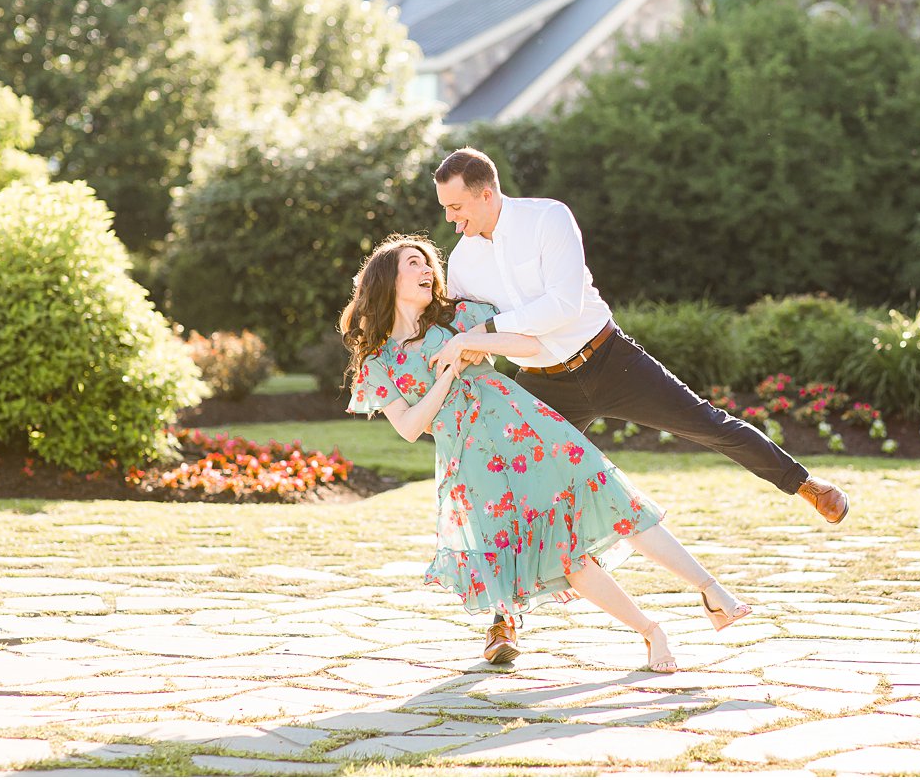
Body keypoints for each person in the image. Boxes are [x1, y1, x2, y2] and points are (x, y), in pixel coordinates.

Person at [431, 147, 850, 663]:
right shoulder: (464, 261)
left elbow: (563, 305)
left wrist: (488, 331)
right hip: (542, 380)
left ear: (486, 193)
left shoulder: (548, 218)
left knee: (707, 424)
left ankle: (805, 483)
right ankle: (503, 621)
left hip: (608, 358)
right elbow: (468, 333)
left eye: (456, 207)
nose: (450, 220)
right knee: (507, 488)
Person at [341, 234, 751, 671]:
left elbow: (529, 346)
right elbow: (408, 427)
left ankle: (711, 588)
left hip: (530, 431)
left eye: (428, 264)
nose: (427, 270)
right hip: (475, 466)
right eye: (413, 263)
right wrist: (447, 374)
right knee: (565, 558)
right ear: (387, 277)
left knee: (619, 503)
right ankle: (651, 632)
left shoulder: (459, 317)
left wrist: (465, 344)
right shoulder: (379, 362)